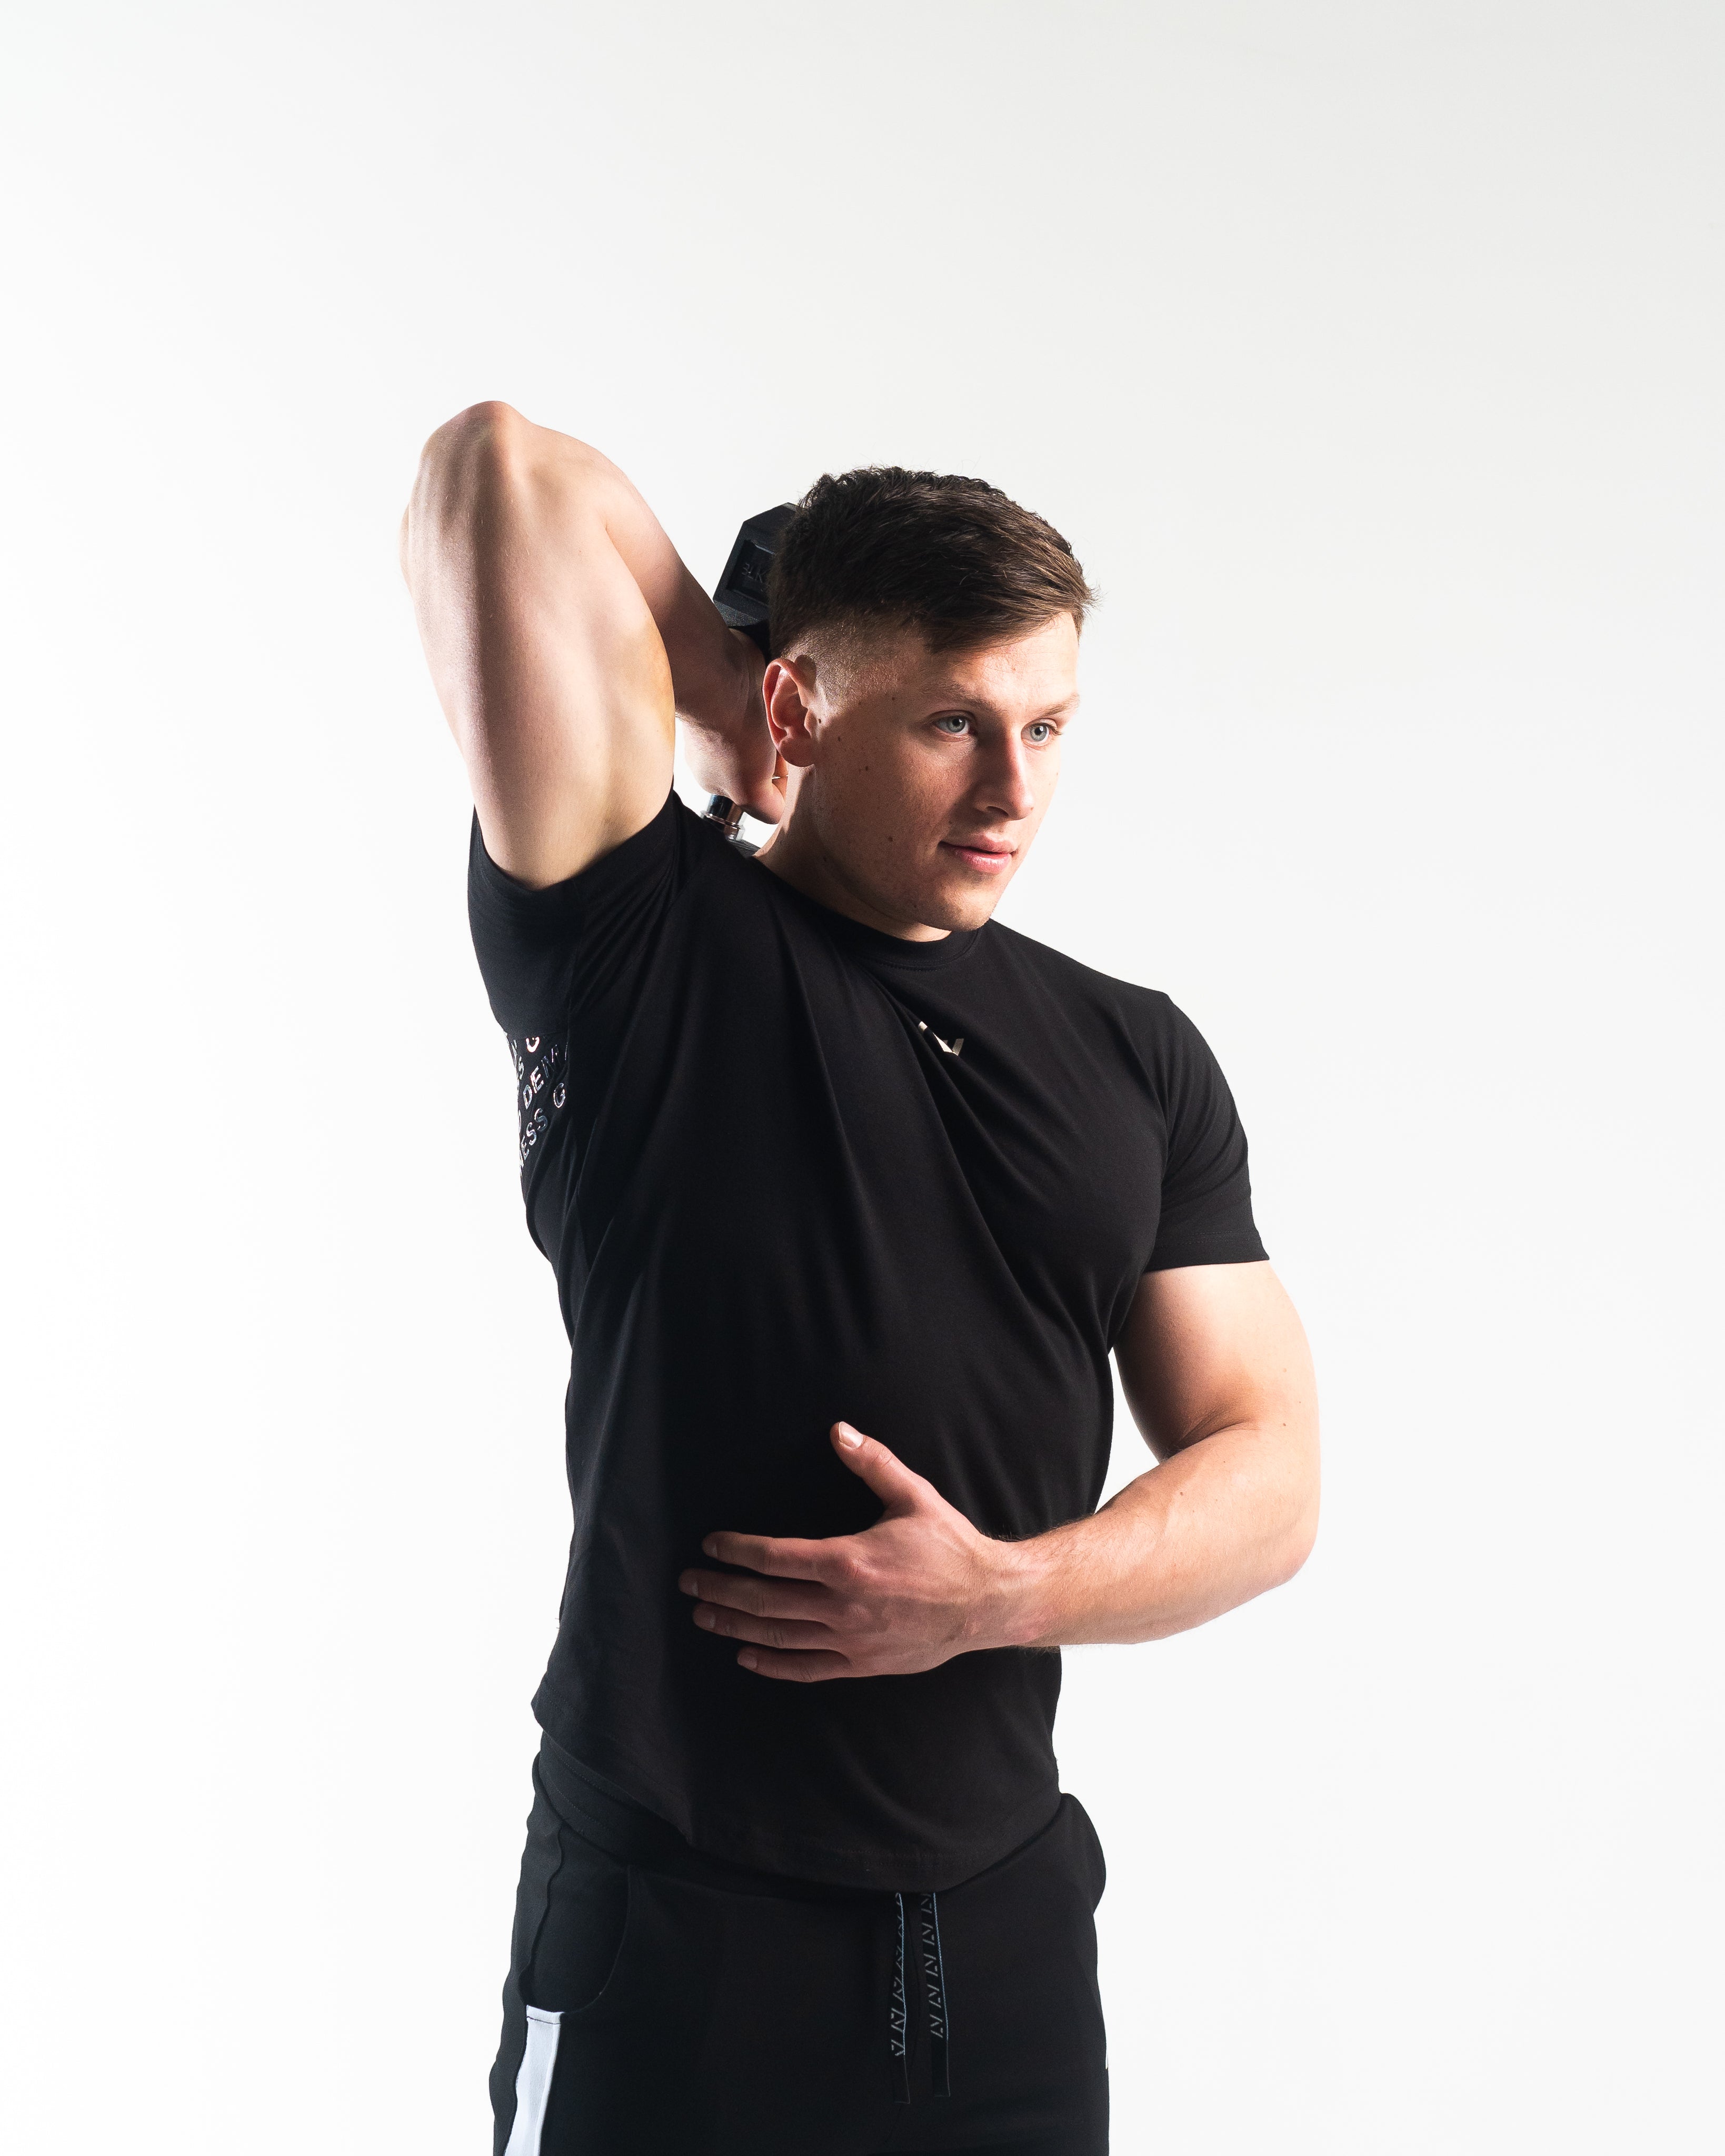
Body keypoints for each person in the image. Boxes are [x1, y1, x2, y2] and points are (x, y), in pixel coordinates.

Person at [400, 404, 1320, 2156]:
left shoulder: (1134, 1055)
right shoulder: (638, 946)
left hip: (1004, 1943)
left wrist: (995, 1595)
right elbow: (494, 473)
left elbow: (1271, 1476)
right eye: (955, 721)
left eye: (1049, 726)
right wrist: (724, 701)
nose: (1015, 791)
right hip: (676, 1931)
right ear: (802, 708)